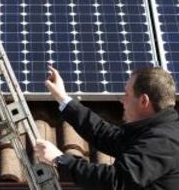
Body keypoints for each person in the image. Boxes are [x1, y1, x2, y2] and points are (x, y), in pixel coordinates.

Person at [35, 65, 179, 190]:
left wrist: (60, 160)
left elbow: (115, 180)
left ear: (143, 101)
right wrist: (63, 98)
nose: (123, 100)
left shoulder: (164, 141)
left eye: (127, 94)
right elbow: (105, 134)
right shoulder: (153, 131)